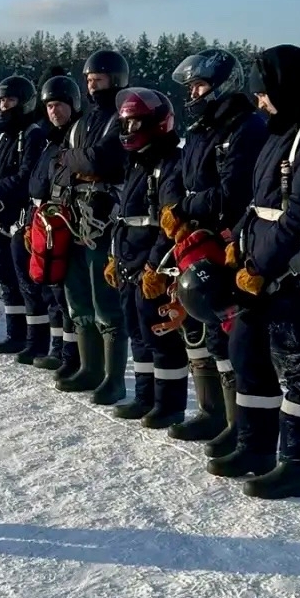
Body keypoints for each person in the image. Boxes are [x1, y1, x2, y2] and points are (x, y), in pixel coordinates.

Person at [210, 47, 300, 494]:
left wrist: (261, 265)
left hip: (292, 272)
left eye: (264, 92)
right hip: (259, 264)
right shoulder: (281, 126)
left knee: (299, 368)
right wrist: (237, 246)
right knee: (248, 354)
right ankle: (255, 447)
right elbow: (260, 202)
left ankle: (299, 464)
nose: (260, 102)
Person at [163, 50, 267, 446]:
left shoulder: (245, 128)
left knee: (232, 334)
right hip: (198, 241)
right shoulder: (200, 130)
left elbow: (231, 193)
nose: (193, 93)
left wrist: (187, 207)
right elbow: (180, 179)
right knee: (205, 330)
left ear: (223, 86)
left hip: (231, 243)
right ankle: (217, 414)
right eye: (191, 87)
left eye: (200, 85)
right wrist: (175, 209)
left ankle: (242, 426)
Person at [107, 89, 190, 426]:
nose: (128, 131)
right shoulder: (136, 163)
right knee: (137, 332)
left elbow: (169, 224)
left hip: (154, 264)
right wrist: (115, 257)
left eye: (135, 123)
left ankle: (170, 405)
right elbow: (124, 218)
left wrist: (155, 264)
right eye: (125, 124)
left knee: (160, 334)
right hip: (130, 260)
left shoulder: (170, 163)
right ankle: (145, 396)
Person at [57, 48, 130, 400]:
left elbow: (103, 159)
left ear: (115, 80)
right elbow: (62, 165)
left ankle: (114, 379)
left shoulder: (122, 117)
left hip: (105, 219)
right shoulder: (81, 124)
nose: (91, 86)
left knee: (106, 300)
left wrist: (76, 161)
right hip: (75, 218)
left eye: (97, 80)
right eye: (88, 80)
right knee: (78, 297)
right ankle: (89, 369)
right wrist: (78, 162)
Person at [0, 74, 50, 358]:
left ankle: (37, 341)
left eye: (10, 100)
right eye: (1, 100)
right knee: (6, 279)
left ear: (24, 102)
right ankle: (16, 335)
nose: (4, 106)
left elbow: (27, 176)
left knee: (27, 282)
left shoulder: (32, 134)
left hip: (22, 219)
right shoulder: (1, 135)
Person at [26, 73, 83, 376]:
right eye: (49, 106)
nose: (54, 111)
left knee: (67, 295)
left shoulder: (75, 139)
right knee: (51, 291)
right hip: (46, 223)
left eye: (59, 104)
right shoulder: (50, 142)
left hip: (67, 225)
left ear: (73, 105)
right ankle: (57, 348)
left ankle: (72, 355)